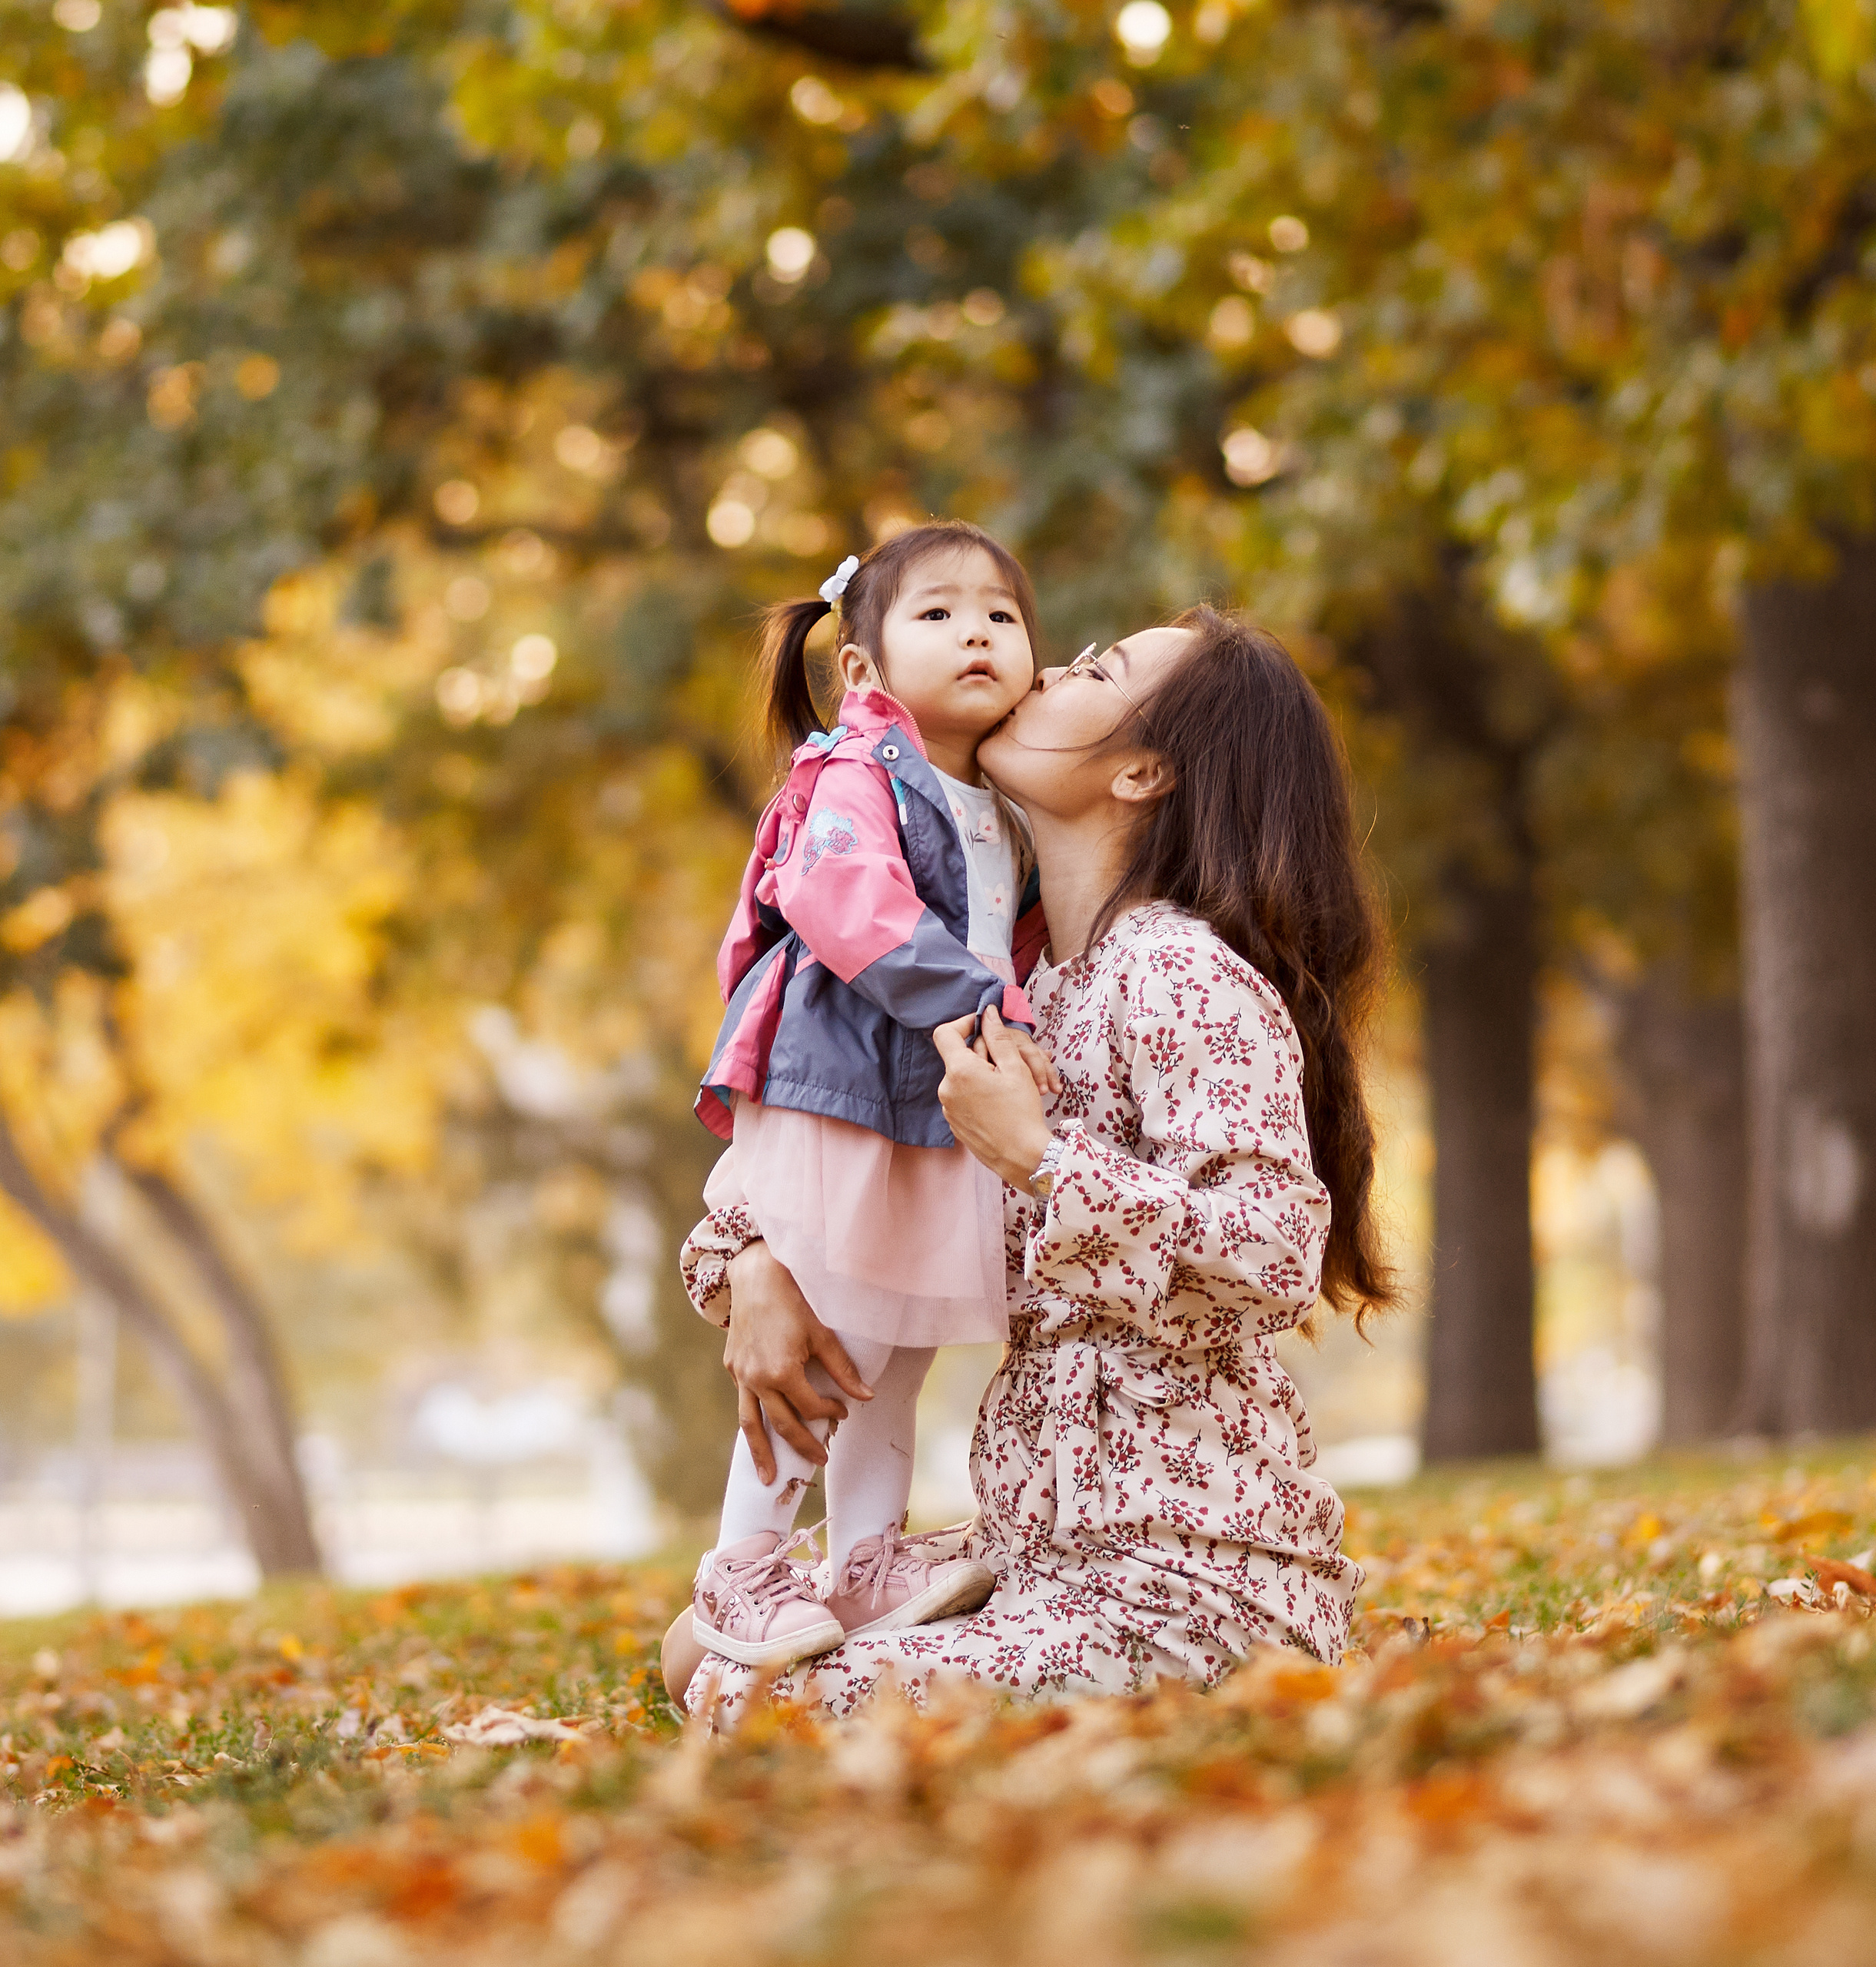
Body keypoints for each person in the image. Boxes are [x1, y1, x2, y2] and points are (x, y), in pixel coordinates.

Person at [667, 605, 1396, 1720]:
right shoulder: (1008, 991)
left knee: (754, 1702)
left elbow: (1273, 1255)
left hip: (1177, 1574)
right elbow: (845, 1146)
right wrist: (755, 1259)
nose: (1046, 669)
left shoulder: (1180, 976)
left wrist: (1046, 1158)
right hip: (1037, 1549)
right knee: (699, 1642)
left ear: (1141, 773)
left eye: (1097, 671)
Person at [685, 520, 1067, 1670]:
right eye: (939, 615)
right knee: (835, 1328)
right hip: (842, 1084)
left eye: (1000, 616)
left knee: (896, 1346)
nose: (977, 635)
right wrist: (991, 1009)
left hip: (927, 1099)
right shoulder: (858, 772)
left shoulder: (1002, 797)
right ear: (862, 666)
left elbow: (1016, 935)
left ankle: (864, 1559)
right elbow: (842, 899)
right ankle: (742, 1567)